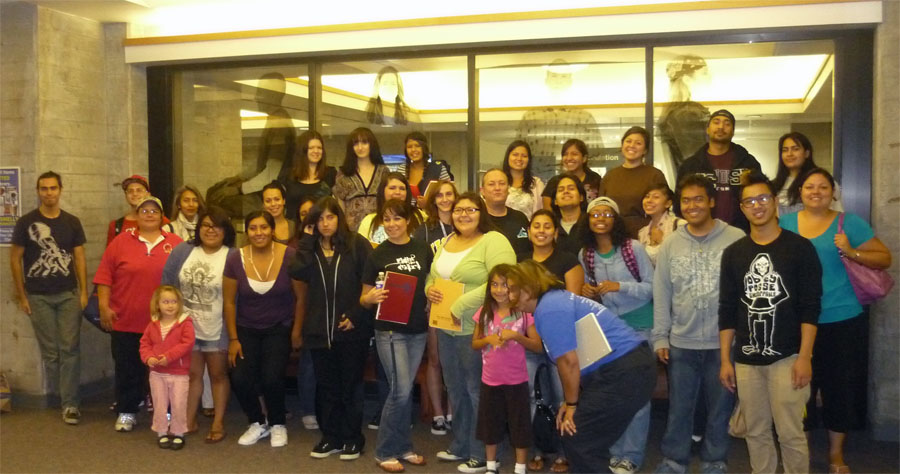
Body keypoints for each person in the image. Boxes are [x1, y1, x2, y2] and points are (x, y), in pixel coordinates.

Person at [779, 167, 891, 474]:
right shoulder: (785, 224)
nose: (816, 191)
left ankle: (836, 455)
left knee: (838, 388)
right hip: (797, 320)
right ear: (799, 193)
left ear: (833, 192)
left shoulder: (848, 223)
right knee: (798, 389)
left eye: (823, 187)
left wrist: (851, 251)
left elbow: (884, 258)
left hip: (841, 318)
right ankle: (798, 453)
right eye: (809, 187)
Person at [507, 260, 656, 474]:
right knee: (582, 438)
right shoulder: (553, 303)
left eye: (514, 289)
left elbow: (569, 362)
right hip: (625, 369)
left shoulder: (549, 307)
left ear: (529, 287)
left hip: (625, 370)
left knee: (579, 436)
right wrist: (570, 404)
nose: (510, 296)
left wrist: (572, 404)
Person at [718, 171, 822, 474]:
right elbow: (727, 310)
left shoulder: (800, 249)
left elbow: (810, 308)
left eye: (763, 198)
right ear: (742, 208)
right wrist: (726, 359)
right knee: (755, 431)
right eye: (749, 201)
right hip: (747, 360)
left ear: (775, 202)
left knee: (790, 432)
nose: (757, 205)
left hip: (788, 358)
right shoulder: (734, 254)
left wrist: (805, 357)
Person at [651, 175, 744, 474]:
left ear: (712, 202)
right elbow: (662, 292)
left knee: (720, 408)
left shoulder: (736, 239)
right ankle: (674, 460)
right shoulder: (671, 244)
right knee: (680, 408)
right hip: (682, 342)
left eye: (699, 199)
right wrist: (660, 338)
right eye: (686, 201)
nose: (692, 206)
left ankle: (715, 460)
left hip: (723, 344)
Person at [426, 192, 516, 473]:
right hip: (445, 325)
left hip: (478, 327)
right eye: (458, 210)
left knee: (478, 390)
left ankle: (485, 452)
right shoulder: (449, 241)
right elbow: (434, 274)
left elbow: (502, 278)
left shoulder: (493, 240)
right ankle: (462, 443)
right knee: (455, 387)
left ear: (482, 212)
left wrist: (461, 304)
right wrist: (430, 288)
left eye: (471, 209)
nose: (463, 214)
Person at [290, 197, 373, 461]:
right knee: (326, 387)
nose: (325, 224)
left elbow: (370, 284)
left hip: (351, 328)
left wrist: (357, 316)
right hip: (318, 330)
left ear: (340, 218)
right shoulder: (309, 249)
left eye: (330, 217)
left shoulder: (356, 245)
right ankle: (331, 437)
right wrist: (305, 240)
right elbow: (297, 271)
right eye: (320, 219)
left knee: (350, 386)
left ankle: (352, 438)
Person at [576, 197, 655, 474]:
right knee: (613, 396)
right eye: (594, 213)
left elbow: (651, 287)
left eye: (606, 213)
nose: (600, 218)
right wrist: (588, 290)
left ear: (615, 218)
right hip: (609, 330)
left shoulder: (633, 249)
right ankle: (616, 451)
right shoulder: (585, 254)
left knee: (638, 396)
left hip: (641, 327)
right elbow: (591, 291)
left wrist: (619, 286)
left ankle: (631, 455)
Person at [94, 196, 183, 432]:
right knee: (128, 368)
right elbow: (104, 277)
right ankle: (127, 411)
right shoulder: (121, 242)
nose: (149, 214)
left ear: (162, 216)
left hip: (163, 323)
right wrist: (104, 306)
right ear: (137, 214)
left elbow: (185, 281)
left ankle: (166, 411)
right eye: (144, 210)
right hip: (126, 320)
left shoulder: (176, 243)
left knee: (165, 369)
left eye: (155, 210)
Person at [360, 199, 433, 472]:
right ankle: (384, 451)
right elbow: (364, 297)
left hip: (417, 329)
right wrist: (371, 297)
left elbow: (431, 282)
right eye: (386, 220)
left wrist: (431, 296)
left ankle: (403, 447)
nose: (391, 224)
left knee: (403, 390)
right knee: (400, 391)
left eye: (396, 219)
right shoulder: (377, 254)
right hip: (390, 329)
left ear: (408, 221)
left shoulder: (423, 249)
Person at [9, 171, 88, 425]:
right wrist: (22, 296)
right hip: (38, 296)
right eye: (44, 188)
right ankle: (64, 392)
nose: (49, 193)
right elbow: (15, 259)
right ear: (38, 191)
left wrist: (83, 291)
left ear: (60, 190)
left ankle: (70, 404)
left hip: (67, 294)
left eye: (53, 188)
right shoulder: (26, 223)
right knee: (52, 354)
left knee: (70, 349)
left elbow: (79, 258)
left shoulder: (72, 222)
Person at [223, 210, 303, 448]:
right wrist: (233, 338)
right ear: (246, 232)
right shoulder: (235, 258)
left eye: (263, 227)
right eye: (253, 228)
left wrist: (297, 331)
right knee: (239, 377)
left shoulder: (290, 256)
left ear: (272, 230)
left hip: (279, 327)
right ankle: (257, 421)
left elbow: (301, 298)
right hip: (246, 328)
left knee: (272, 377)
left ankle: (278, 423)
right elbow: (228, 301)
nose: (259, 233)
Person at [160, 206, 236, 443]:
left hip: (217, 326)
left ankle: (218, 422)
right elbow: (168, 284)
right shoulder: (183, 250)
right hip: (187, 327)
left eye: (216, 226)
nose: (210, 230)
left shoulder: (232, 255)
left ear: (225, 231)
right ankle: (187, 421)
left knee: (218, 374)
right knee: (191, 375)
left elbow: (236, 296)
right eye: (205, 225)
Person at [519, 210, 581, 473]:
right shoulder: (522, 262)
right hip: (529, 339)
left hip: (559, 340)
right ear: (529, 231)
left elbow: (572, 303)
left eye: (547, 226)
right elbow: (516, 301)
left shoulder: (568, 260)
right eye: (536, 226)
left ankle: (563, 452)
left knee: (561, 397)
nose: (541, 230)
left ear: (555, 232)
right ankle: (537, 449)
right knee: (532, 397)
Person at [472, 264, 543, 474]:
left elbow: (538, 345)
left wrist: (517, 337)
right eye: (494, 284)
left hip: (517, 380)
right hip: (490, 380)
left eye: (505, 285)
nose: (499, 290)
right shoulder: (484, 312)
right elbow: (475, 344)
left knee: (519, 425)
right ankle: (491, 466)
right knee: (489, 425)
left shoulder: (523, 313)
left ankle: (520, 467)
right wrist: (488, 339)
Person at [411, 179, 458, 435]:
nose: (445, 199)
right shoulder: (425, 229)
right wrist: (427, 296)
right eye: (439, 195)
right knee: (436, 357)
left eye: (449, 194)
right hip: (436, 297)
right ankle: (438, 413)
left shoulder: (464, 224)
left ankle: (453, 410)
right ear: (433, 200)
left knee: (455, 358)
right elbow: (420, 266)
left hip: (461, 297)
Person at [676, 109, 762, 232]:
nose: (721, 127)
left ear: (732, 132)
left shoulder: (748, 162)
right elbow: (679, 201)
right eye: (716, 122)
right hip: (702, 232)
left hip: (742, 231)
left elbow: (759, 195)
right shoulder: (691, 165)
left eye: (727, 124)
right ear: (707, 129)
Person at [139, 285, 195, 450]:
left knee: (178, 403)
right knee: (159, 404)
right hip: (157, 374)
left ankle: (178, 433)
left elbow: (187, 343)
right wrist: (148, 357)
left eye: (174, 302)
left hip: (179, 374)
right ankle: (161, 432)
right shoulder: (152, 325)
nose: (170, 305)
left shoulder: (185, 323)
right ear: (158, 305)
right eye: (165, 302)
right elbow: (144, 344)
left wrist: (168, 357)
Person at [598, 126, 669, 238]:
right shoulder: (610, 176)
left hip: (645, 234)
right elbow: (600, 205)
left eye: (638, 143)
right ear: (622, 146)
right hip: (613, 234)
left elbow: (663, 209)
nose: (632, 146)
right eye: (628, 141)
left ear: (645, 150)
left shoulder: (654, 175)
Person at [772, 132, 844, 216]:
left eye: (795, 149)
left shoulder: (822, 181)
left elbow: (837, 213)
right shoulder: (774, 185)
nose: (789, 154)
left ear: (806, 153)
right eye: (785, 150)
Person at [332, 127, 390, 231]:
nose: (360, 147)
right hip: (351, 232)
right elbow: (341, 206)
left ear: (371, 145)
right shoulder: (344, 173)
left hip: (378, 230)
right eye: (356, 143)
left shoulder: (383, 172)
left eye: (364, 142)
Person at [283, 130, 337, 219]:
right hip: (295, 228)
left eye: (319, 148)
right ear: (303, 150)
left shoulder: (330, 174)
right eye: (311, 148)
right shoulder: (288, 175)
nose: (316, 151)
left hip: (322, 226)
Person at [357, 172, 423, 246]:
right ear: (382, 191)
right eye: (392, 188)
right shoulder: (368, 221)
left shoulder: (420, 216)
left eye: (402, 189)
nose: (397, 192)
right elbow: (361, 250)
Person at [106, 175, 170, 247]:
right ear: (126, 195)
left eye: (139, 190)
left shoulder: (162, 221)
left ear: (148, 194)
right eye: (130, 191)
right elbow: (110, 255)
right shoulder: (116, 225)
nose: (135, 194)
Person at [481, 168, 531, 255]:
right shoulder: (477, 219)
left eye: (502, 184)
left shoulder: (520, 218)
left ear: (508, 189)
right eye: (491, 184)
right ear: (482, 191)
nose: (497, 188)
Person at [541, 139, 602, 210]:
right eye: (565, 154)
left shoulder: (595, 179)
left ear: (584, 158)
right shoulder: (555, 182)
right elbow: (548, 213)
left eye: (574, 154)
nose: (569, 158)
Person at [396, 131, 453, 205]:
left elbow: (450, 194)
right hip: (407, 214)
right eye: (409, 147)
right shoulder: (401, 169)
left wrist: (429, 203)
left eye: (417, 146)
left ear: (424, 148)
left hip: (432, 214)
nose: (413, 150)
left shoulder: (437, 169)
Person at [637, 183, 684, 266]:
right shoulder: (642, 233)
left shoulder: (680, 226)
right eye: (647, 196)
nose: (649, 200)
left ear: (668, 203)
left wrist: (660, 243)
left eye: (656, 197)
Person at [547, 173, 587, 256]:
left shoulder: (590, 223)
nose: (566, 192)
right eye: (561, 190)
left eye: (571, 188)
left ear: (581, 197)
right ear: (555, 201)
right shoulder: (550, 227)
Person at [503, 140, 545, 219]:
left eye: (524, 156)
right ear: (508, 156)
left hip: (529, 229)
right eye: (515, 155)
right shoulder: (500, 182)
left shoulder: (537, 184)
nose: (519, 159)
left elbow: (542, 212)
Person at [260, 181, 295, 245]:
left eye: (277, 199)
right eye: (268, 201)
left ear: (284, 201)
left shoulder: (295, 227)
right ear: (263, 204)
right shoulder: (257, 228)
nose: (273, 204)